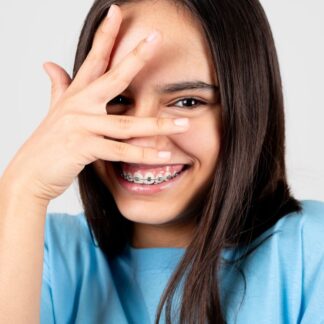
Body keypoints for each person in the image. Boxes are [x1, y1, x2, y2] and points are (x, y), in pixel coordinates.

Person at [0, 0, 323, 323]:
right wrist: (23, 188)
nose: (141, 136)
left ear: (249, 108)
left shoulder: (311, 252)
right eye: (117, 99)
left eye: (187, 101)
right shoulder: (38, 251)